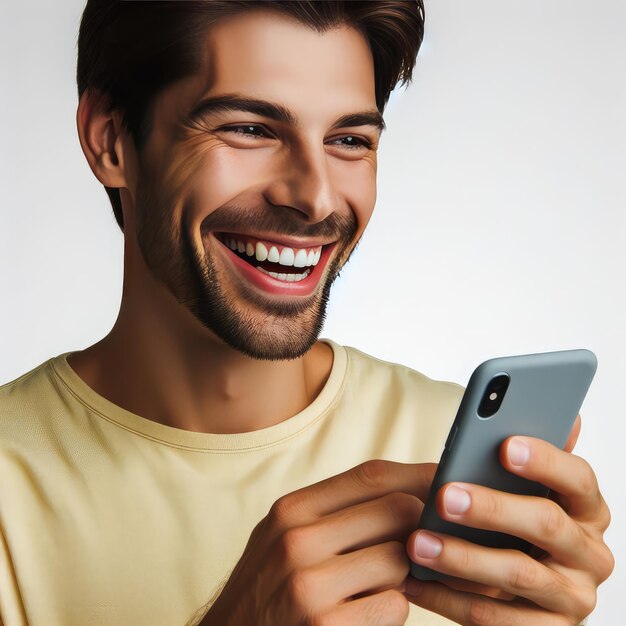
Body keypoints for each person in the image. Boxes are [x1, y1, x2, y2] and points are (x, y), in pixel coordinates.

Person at [0, 2, 613, 625]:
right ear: (110, 139)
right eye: (250, 129)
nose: (316, 197)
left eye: (348, 140)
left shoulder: (457, 458)